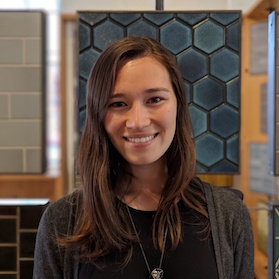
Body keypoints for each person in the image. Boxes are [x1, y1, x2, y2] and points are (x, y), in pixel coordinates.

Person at [33, 36, 254, 279]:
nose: (138, 121)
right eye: (118, 104)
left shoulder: (228, 215)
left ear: (178, 104)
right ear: (98, 115)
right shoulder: (62, 221)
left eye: (155, 100)